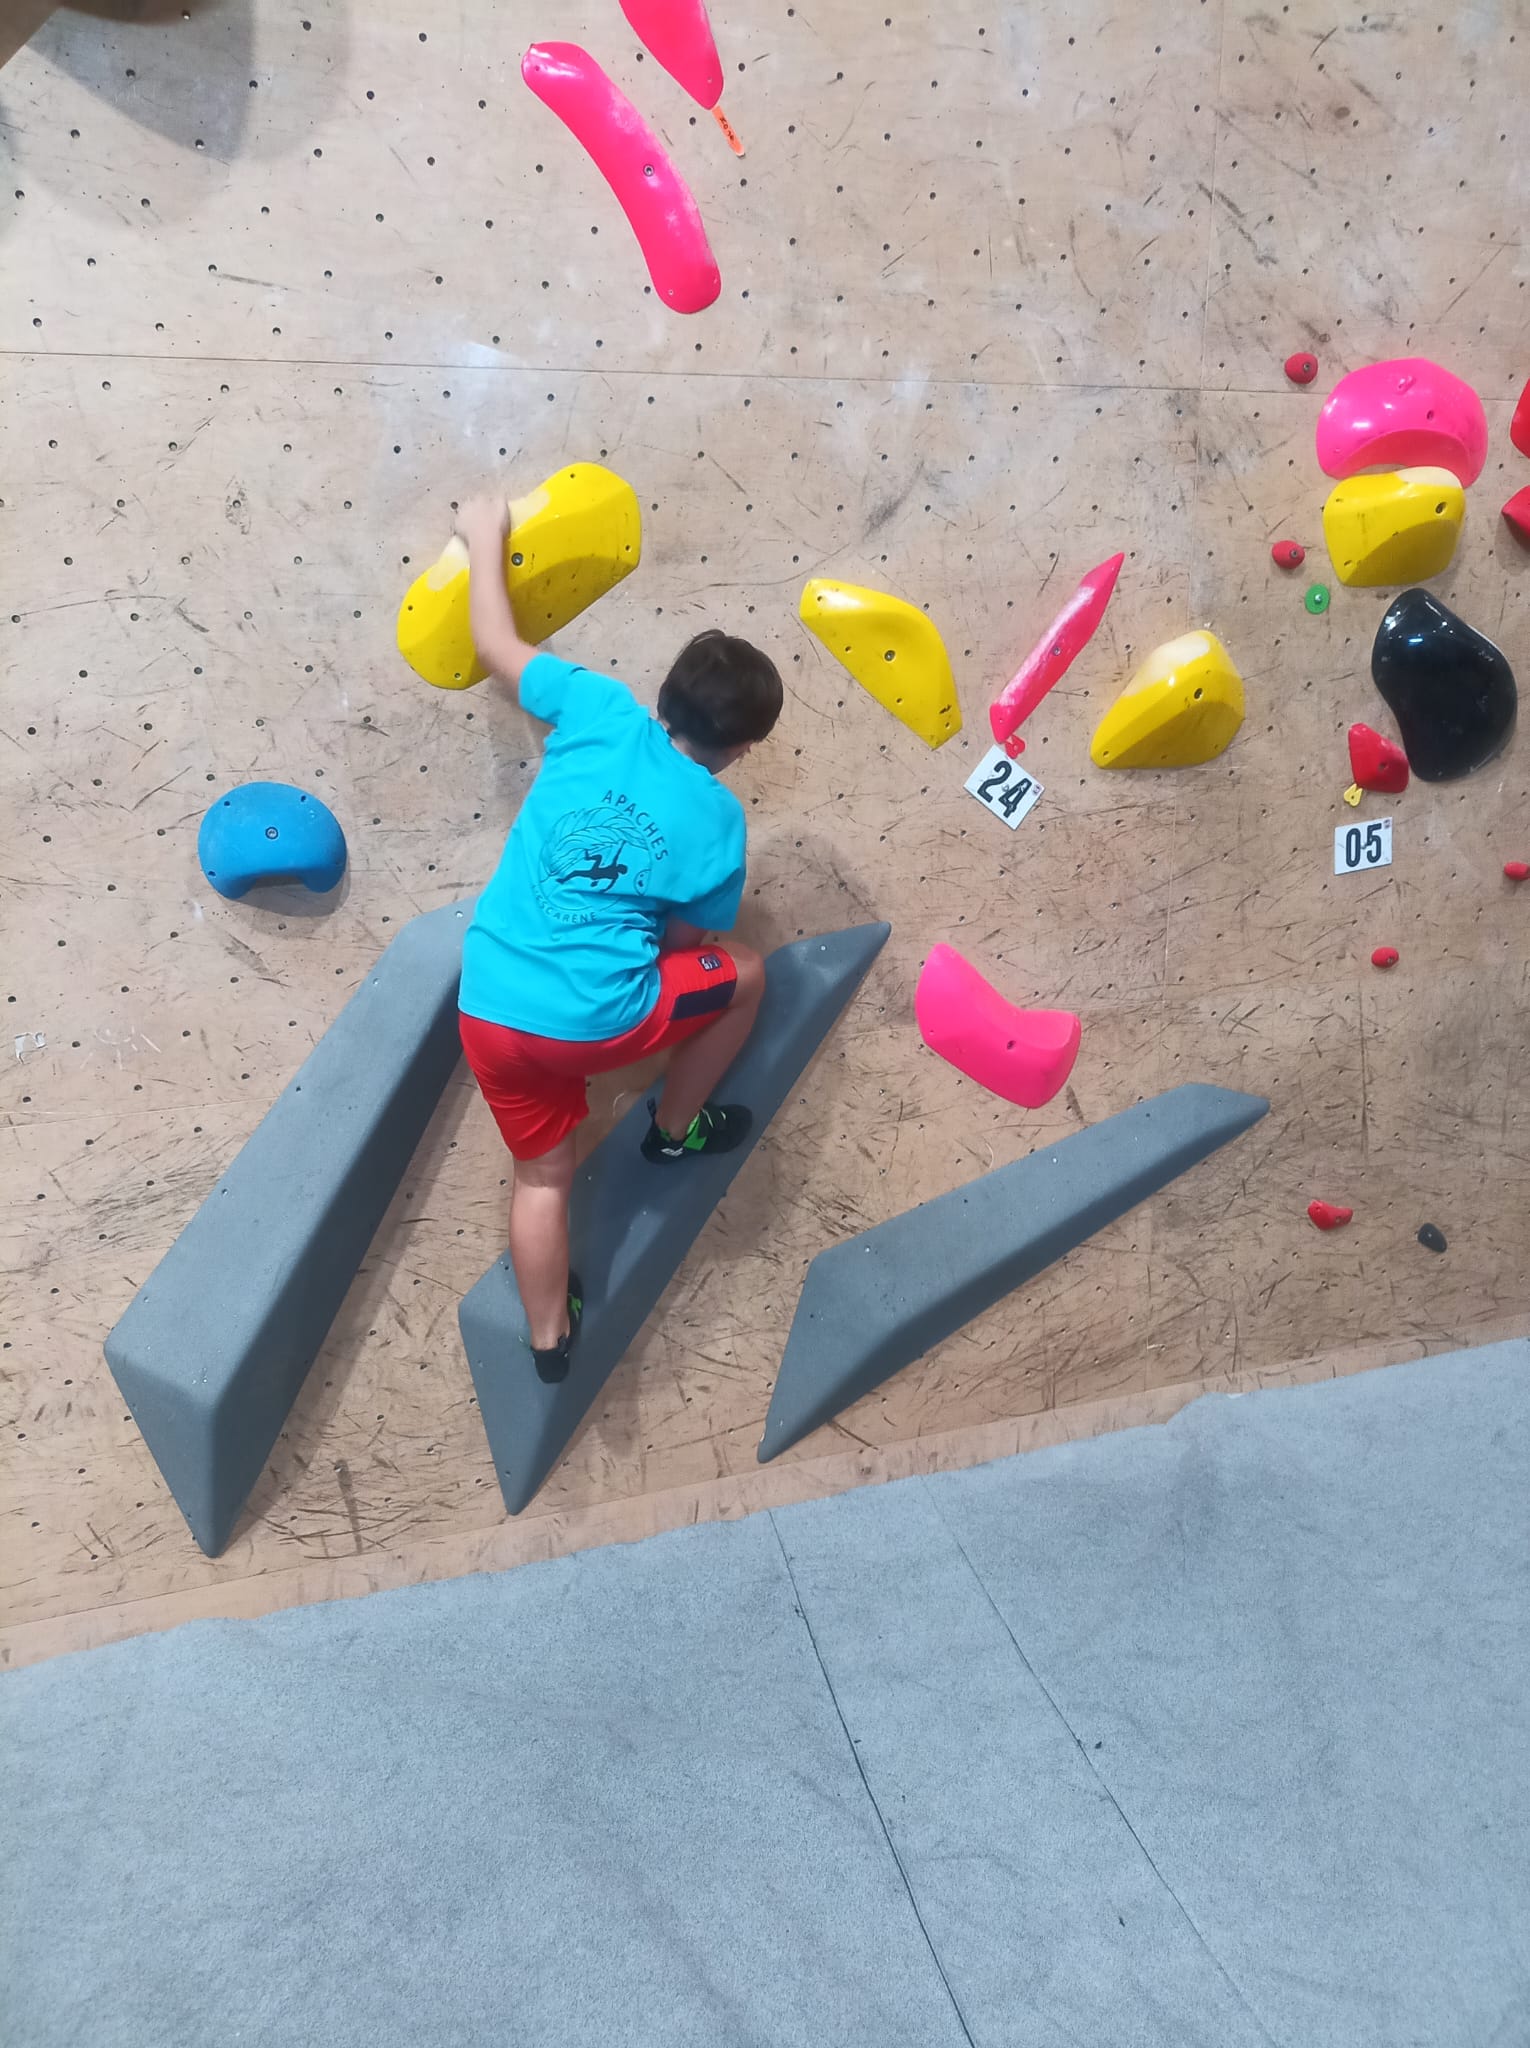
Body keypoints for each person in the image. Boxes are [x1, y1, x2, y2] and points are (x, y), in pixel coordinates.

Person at [453, 496, 783, 1385]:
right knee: (746, 973)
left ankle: (548, 1340)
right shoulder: (719, 821)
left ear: (663, 693)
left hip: (487, 1007)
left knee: (541, 1179)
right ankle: (674, 1129)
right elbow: (684, 943)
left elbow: (495, 645)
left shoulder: (596, 705)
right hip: (598, 1021)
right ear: (745, 748)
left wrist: (484, 537)